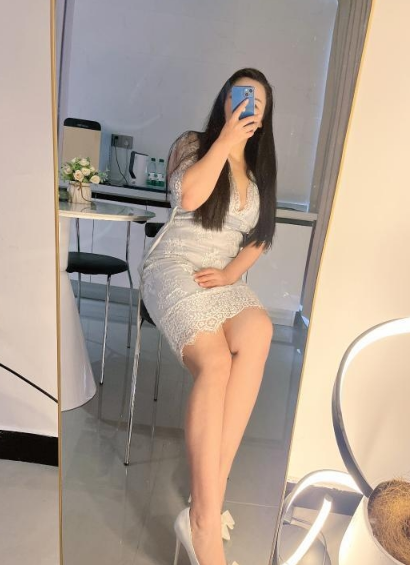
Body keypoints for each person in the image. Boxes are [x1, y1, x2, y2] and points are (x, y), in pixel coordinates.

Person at [139, 68, 277, 565]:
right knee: (216, 363)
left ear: (264, 117)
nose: (247, 106)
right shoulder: (194, 144)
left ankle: (209, 497)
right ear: (225, 100)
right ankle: (203, 524)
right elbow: (191, 197)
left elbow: (260, 236)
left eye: (257, 102)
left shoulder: (260, 168)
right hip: (174, 265)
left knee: (260, 330)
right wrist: (224, 141)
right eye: (241, 96)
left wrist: (230, 273)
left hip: (218, 276)